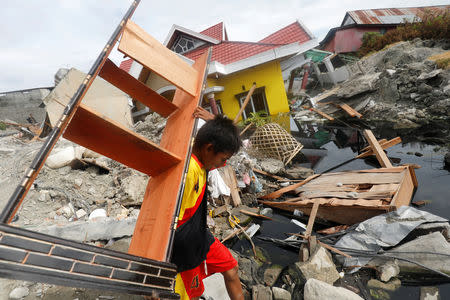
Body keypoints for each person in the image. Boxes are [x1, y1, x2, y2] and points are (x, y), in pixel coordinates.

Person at [171, 109, 244, 300]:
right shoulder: (189, 173)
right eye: (223, 159)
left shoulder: (203, 158)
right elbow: (165, 223)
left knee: (231, 269)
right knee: (192, 294)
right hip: (184, 246)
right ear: (209, 148)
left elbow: (216, 138)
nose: (222, 165)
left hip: (199, 234)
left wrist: (213, 120)